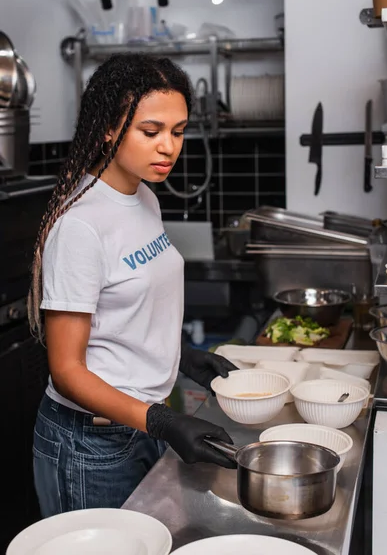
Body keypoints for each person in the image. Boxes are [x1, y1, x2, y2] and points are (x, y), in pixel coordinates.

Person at [28, 53, 237, 518]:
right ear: (108, 127)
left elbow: (128, 314)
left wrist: (180, 357)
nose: (168, 147)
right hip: (90, 444)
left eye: (179, 132)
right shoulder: (81, 225)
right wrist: (162, 420)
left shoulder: (144, 197)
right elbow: (67, 370)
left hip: (142, 425)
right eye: (151, 131)